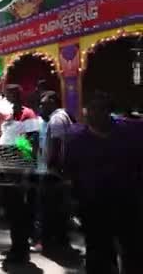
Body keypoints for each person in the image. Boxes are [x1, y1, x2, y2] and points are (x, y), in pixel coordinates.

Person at [64, 92, 143, 274]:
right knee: (98, 254)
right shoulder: (77, 142)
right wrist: (74, 201)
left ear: (109, 112)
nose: (94, 114)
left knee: (133, 252)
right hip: (93, 209)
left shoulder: (130, 136)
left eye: (101, 110)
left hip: (127, 205)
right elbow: (70, 174)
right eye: (91, 110)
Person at [33, 91, 76, 256]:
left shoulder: (57, 119)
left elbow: (56, 146)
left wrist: (50, 168)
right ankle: (60, 241)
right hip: (60, 173)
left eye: (43, 104)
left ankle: (48, 244)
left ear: (53, 102)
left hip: (53, 173)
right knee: (58, 210)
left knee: (48, 209)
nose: (41, 107)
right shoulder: (64, 116)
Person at [0, 84, 39, 265]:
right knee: (12, 212)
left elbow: (32, 143)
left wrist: (26, 172)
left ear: (19, 96)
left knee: (20, 214)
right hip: (7, 169)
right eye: (7, 96)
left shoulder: (28, 114)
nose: (9, 99)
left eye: (12, 96)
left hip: (20, 171)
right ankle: (16, 247)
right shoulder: (6, 116)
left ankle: (21, 251)